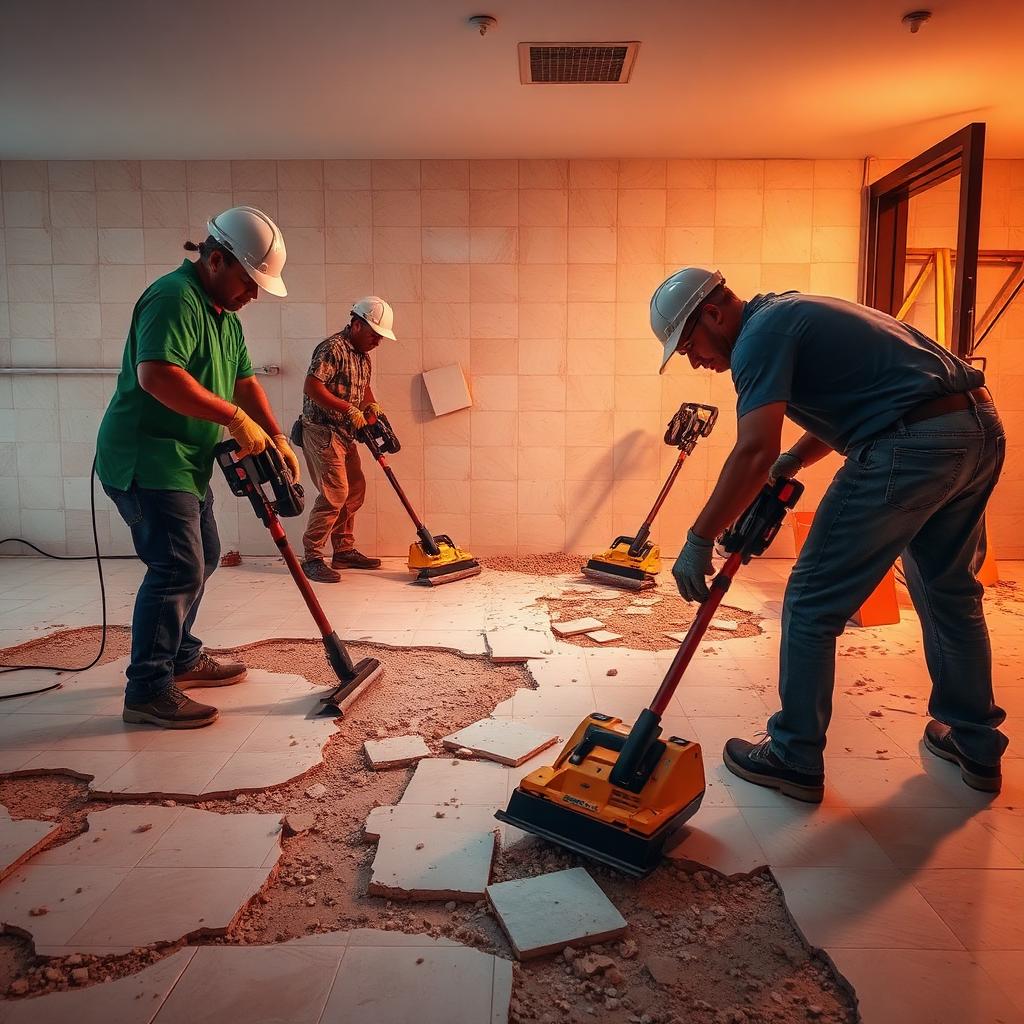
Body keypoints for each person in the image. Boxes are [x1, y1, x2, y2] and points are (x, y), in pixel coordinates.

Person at [651, 267, 1006, 800]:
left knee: (812, 599)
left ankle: (793, 755)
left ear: (713, 313)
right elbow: (863, 395)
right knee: (948, 590)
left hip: (908, 447)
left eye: (688, 345)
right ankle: (974, 739)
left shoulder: (758, 338)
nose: (695, 360)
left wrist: (700, 538)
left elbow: (753, 449)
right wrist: (797, 457)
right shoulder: (791, 315)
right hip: (975, 431)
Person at [96, 206, 300, 729]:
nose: (253, 295)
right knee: (176, 566)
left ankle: (180, 657)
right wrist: (234, 420)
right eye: (249, 282)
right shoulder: (174, 297)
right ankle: (147, 688)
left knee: (204, 555)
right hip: (146, 456)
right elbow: (158, 377)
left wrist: (274, 433)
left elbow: (244, 381)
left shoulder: (223, 315)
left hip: (186, 461)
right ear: (214, 260)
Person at [297, 297, 395, 583]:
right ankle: (313, 556)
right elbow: (312, 387)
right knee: (335, 494)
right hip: (322, 431)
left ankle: (343, 550)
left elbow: (362, 389)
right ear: (356, 325)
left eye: (380, 338)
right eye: (374, 335)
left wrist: (372, 408)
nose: (377, 342)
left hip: (345, 432)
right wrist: (348, 409)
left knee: (355, 489)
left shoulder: (363, 355)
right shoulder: (333, 348)